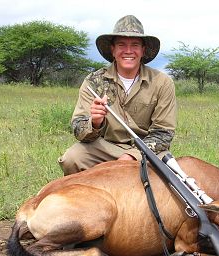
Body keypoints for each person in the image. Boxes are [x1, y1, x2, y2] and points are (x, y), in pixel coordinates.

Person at [58, 15, 177, 175]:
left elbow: (163, 134)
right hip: (105, 148)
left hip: (147, 151)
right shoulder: (93, 81)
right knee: (72, 158)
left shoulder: (162, 82)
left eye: (135, 45)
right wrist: (95, 122)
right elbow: (79, 132)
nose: (128, 51)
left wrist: (131, 156)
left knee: (173, 180)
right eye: (121, 44)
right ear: (113, 50)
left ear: (143, 50)